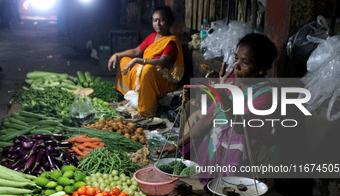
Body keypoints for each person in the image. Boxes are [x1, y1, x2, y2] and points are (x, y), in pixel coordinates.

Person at [155, 33, 278, 183]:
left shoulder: (266, 94)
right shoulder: (232, 80)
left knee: (233, 133)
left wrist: (222, 93)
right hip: (221, 141)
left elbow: (239, 126)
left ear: (261, 67)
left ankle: (229, 184)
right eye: (236, 58)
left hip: (248, 152)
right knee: (194, 107)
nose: (236, 65)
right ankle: (207, 171)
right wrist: (176, 145)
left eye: (244, 62)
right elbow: (210, 116)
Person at [107, 6, 185, 119]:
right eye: (155, 20)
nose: (158, 23)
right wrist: (117, 55)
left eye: (162, 20)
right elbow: (135, 51)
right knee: (124, 60)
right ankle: (128, 97)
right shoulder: (152, 37)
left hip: (162, 79)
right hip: (146, 71)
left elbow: (161, 62)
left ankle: (145, 110)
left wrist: (138, 60)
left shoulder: (171, 42)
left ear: (169, 22)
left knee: (147, 69)